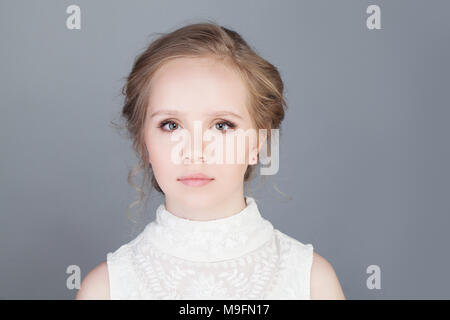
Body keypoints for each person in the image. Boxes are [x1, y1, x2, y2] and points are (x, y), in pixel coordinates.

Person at [76, 21, 345, 300]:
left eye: (221, 125)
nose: (194, 151)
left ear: (258, 143)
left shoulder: (312, 283)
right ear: (144, 142)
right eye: (171, 125)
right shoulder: (105, 290)